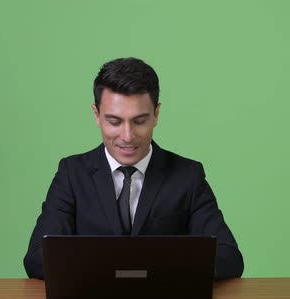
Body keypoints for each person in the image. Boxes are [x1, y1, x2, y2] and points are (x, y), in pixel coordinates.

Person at [23, 57, 243, 279]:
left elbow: (228, 258)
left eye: (139, 121)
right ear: (96, 115)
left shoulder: (188, 175)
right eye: (115, 122)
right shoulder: (72, 173)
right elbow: (37, 258)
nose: (127, 136)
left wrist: (150, 272)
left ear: (156, 114)